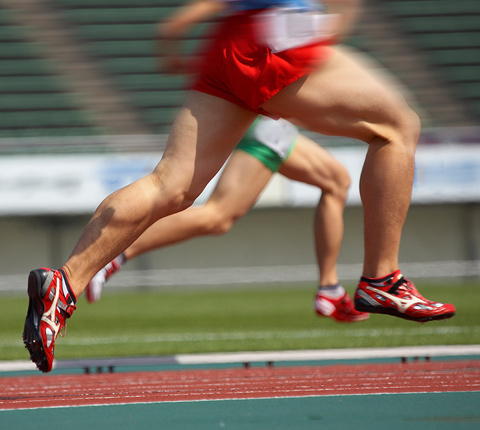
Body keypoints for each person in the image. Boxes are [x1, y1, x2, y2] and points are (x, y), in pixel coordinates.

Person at [23, 0, 455, 373]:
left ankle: (64, 283)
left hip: (228, 44)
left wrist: (174, 44)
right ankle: (382, 278)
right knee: (398, 127)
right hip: (277, 36)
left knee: (171, 185)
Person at [85, 116, 369, 324]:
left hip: (274, 128)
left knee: (337, 180)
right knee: (216, 216)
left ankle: (329, 287)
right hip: (267, 127)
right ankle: (112, 254)